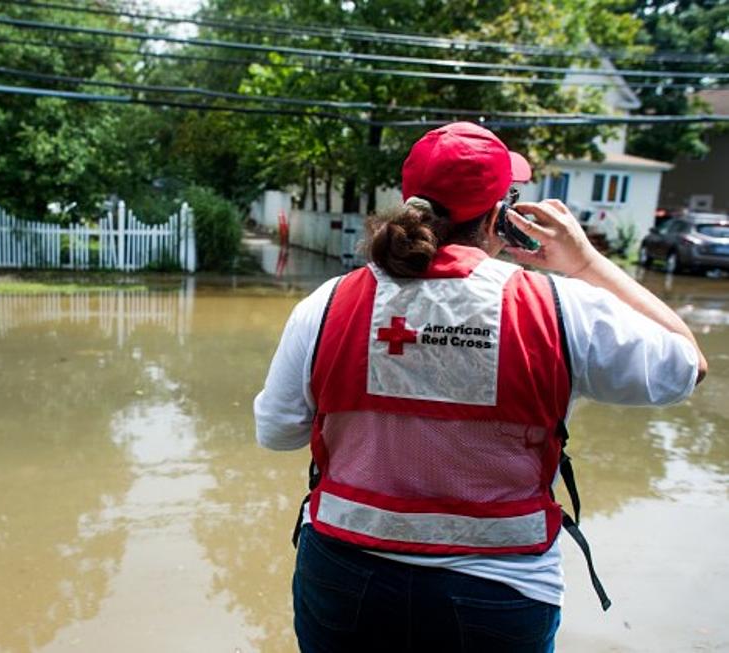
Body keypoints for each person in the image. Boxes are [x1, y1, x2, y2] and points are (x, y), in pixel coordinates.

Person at [253, 122, 706, 653]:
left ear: (409, 204)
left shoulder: (327, 304)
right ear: (499, 216)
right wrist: (585, 264)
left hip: (345, 576)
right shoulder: (561, 308)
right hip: (500, 591)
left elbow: (278, 432)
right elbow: (688, 366)